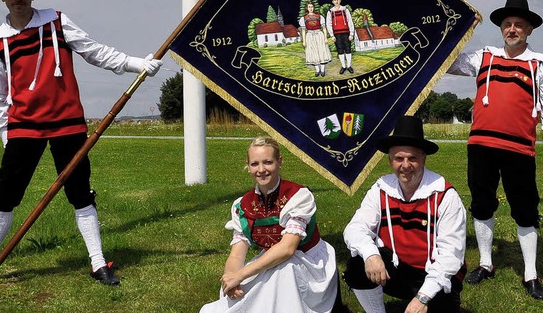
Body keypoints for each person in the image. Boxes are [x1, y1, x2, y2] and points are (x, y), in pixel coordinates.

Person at [0, 0, 162, 288]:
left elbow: (94, 51)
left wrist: (134, 63)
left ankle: (98, 263)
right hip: (23, 125)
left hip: (67, 122)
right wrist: (4, 132)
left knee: (80, 193)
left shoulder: (56, 21)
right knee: (5, 195)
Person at [447, 0, 543, 300]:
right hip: (481, 145)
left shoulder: (539, 64)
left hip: (519, 149)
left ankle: (530, 274)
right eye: (508, 24)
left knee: (524, 209)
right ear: (501, 28)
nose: (512, 29)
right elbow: (446, 61)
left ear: (529, 30)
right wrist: (453, 29)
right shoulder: (482, 57)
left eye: (519, 25)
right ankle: (486, 264)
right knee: (482, 203)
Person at [200, 136, 340, 313]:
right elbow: (236, 255)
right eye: (254, 164)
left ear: (279, 162)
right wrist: (232, 278)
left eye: (267, 162)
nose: (261, 170)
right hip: (272, 258)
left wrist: (242, 274)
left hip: (307, 261)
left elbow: (288, 248)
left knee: (283, 271)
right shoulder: (241, 205)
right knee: (236, 291)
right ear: (248, 166)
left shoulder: (298, 196)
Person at [343, 116, 467, 313]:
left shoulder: (445, 195)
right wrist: (371, 255)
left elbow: (451, 256)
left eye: (413, 158)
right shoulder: (381, 189)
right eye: (399, 158)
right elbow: (355, 228)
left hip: (434, 276)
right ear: (390, 160)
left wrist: (423, 297)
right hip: (397, 269)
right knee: (358, 264)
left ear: (424, 159)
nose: (405, 165)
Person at [299, 0, 332, 77]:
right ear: (307, 8)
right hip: (310, 35)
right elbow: (303, 30)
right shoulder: (304, 18)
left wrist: (325, 38)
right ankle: (317, 70)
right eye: (309, 7)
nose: (311, 8)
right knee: (313, 52)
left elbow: (324, 28)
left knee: (322, 51)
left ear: (314, 7)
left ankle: (323, 70)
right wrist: (304, 41)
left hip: (319, 35)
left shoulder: (319, 16)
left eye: (312, 6)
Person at [325, 0, 355, 74]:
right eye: (334, 0)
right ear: (332, 2)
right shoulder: (330, 12)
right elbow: (329, 24)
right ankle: (343, 66)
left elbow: (350, 21)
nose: (336, 1)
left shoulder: (345, 10)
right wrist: (332, 35)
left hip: (346, 33)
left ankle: (349, 66)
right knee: (340, 50)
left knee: (348, 49)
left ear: (340, 0)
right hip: (337, 34)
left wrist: (351, 34)